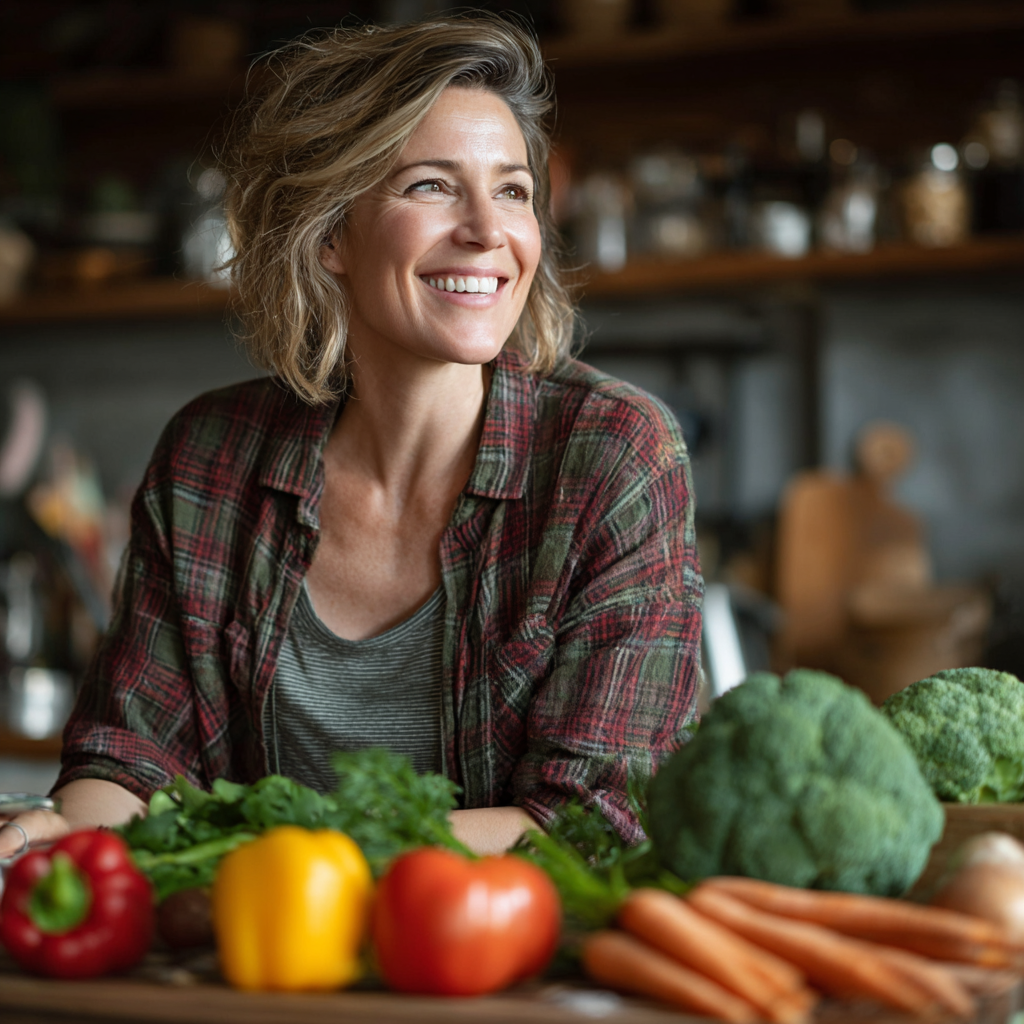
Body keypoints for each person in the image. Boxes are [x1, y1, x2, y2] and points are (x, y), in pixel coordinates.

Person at [0, 15, 702, 861]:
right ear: (329, 233)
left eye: (513, 190)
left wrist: (280, 853)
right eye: (433, 186)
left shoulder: (613, 456)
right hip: (256, 973)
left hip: (510, 978)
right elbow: (132, 759)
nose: (488, 230)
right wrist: (65, 826)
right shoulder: (209, 460)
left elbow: (593, 822)